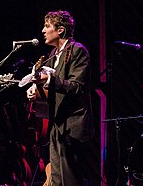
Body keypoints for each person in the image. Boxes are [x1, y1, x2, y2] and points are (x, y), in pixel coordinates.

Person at [26, 10, 96, 185]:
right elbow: (52, 86)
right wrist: (36, 89)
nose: (43, 30)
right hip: (57, 124)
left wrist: (48, 78)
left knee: (70, 178)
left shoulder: (78, 50)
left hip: (72, 125)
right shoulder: (53, 55)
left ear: (61, 30)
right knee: (56, 179)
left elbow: (77, 87)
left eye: (47, 26)